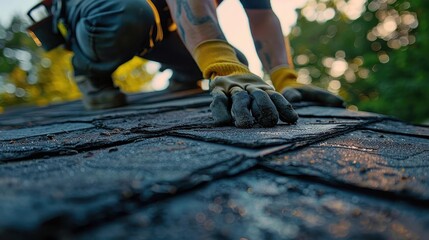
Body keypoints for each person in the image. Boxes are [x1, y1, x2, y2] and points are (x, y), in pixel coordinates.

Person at [36, 0, 340, 128]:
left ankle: (183, 75)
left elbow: (261, 15)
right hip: (98, 11)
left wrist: (285, 78)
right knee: (127, 13)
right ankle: (90, 69)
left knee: (240, 62)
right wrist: (222, 67)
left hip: (160, 19)